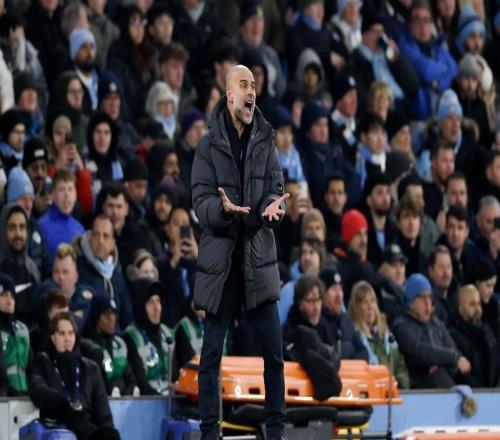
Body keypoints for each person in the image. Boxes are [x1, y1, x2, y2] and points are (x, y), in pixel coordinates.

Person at [191, 65, 288, 440]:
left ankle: (276, 433)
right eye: (244, 85)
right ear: (229, 94)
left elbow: (275, 189)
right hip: (222, 262)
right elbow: (200, 202)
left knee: (274, 355)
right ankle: (209, 433)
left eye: (254, 87)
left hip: (258, 257)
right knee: (210, 356)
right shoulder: (208, 145)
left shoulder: (266, 139)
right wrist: (223, 210)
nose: (251, 92)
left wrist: (272, 209)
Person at [29, 312, 120, 440]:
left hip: (88, 432)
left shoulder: (91, 368)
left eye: (70, 333)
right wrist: (63, 405)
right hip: (58, 428)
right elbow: (37, 389)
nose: (67, 339)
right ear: (53, 337)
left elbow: (104, 417)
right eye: (62, 333)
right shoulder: (43, 361)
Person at [393, 273, 469, 388]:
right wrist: (448, 359)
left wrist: (442, 364)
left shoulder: (436, 324)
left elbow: (453, 350)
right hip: (416, 388)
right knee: (438, 377)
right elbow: (418, 351)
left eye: (429, 297)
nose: (427, 302)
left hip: (442, 378)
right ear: (411, 302)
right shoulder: (401, 325)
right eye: (422, 297)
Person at [348, 280, 409, 388]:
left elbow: (400, 365)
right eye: (365, 302)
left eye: (372, 301)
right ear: (356, 307)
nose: (370, 307)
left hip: (393, 391)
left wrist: (400, 384)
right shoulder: (354, 337)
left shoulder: (386, 335)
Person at [123, 278, 174, 396]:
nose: (156, 308)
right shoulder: (130, 336)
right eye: (150, 302)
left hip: (172, 399)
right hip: (147, 401)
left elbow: (176, 374)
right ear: (141, 306)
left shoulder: (167, 334)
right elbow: (140, 382)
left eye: (158, 301)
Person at [82, 295, 137, 397]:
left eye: (114, 313)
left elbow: (131, 379)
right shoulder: (89, 347)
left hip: (124, 400)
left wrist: (125, 397)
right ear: (96, 317)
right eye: (106, 313)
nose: (111, 318)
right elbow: (101, 383)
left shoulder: (120, 344)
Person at [449, 285, 500, 387]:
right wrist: (482, 392)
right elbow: (461, 374)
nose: (478, 309)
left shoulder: (487, 331)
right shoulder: (452, 335)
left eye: (479, 304)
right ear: (460, 308)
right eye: (472, 304)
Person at [319, 267, 369, 361]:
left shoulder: (346, 320)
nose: (339, 296)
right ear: (322, 293)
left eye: (340, 289)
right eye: (334, 289)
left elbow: (363, 351)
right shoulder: (317, 322)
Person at [38, 169, 84, 259]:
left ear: (75, 195)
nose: (66, 194)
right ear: (53, 195)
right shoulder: (41, 226)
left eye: (70, 189)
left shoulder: (80, 229)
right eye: (61, 189)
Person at [0, 273, 31, 396]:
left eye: (12, 296)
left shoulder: (22, 329)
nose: (9, 301)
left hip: (25, 395)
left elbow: (30, 366)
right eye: (4, 295)